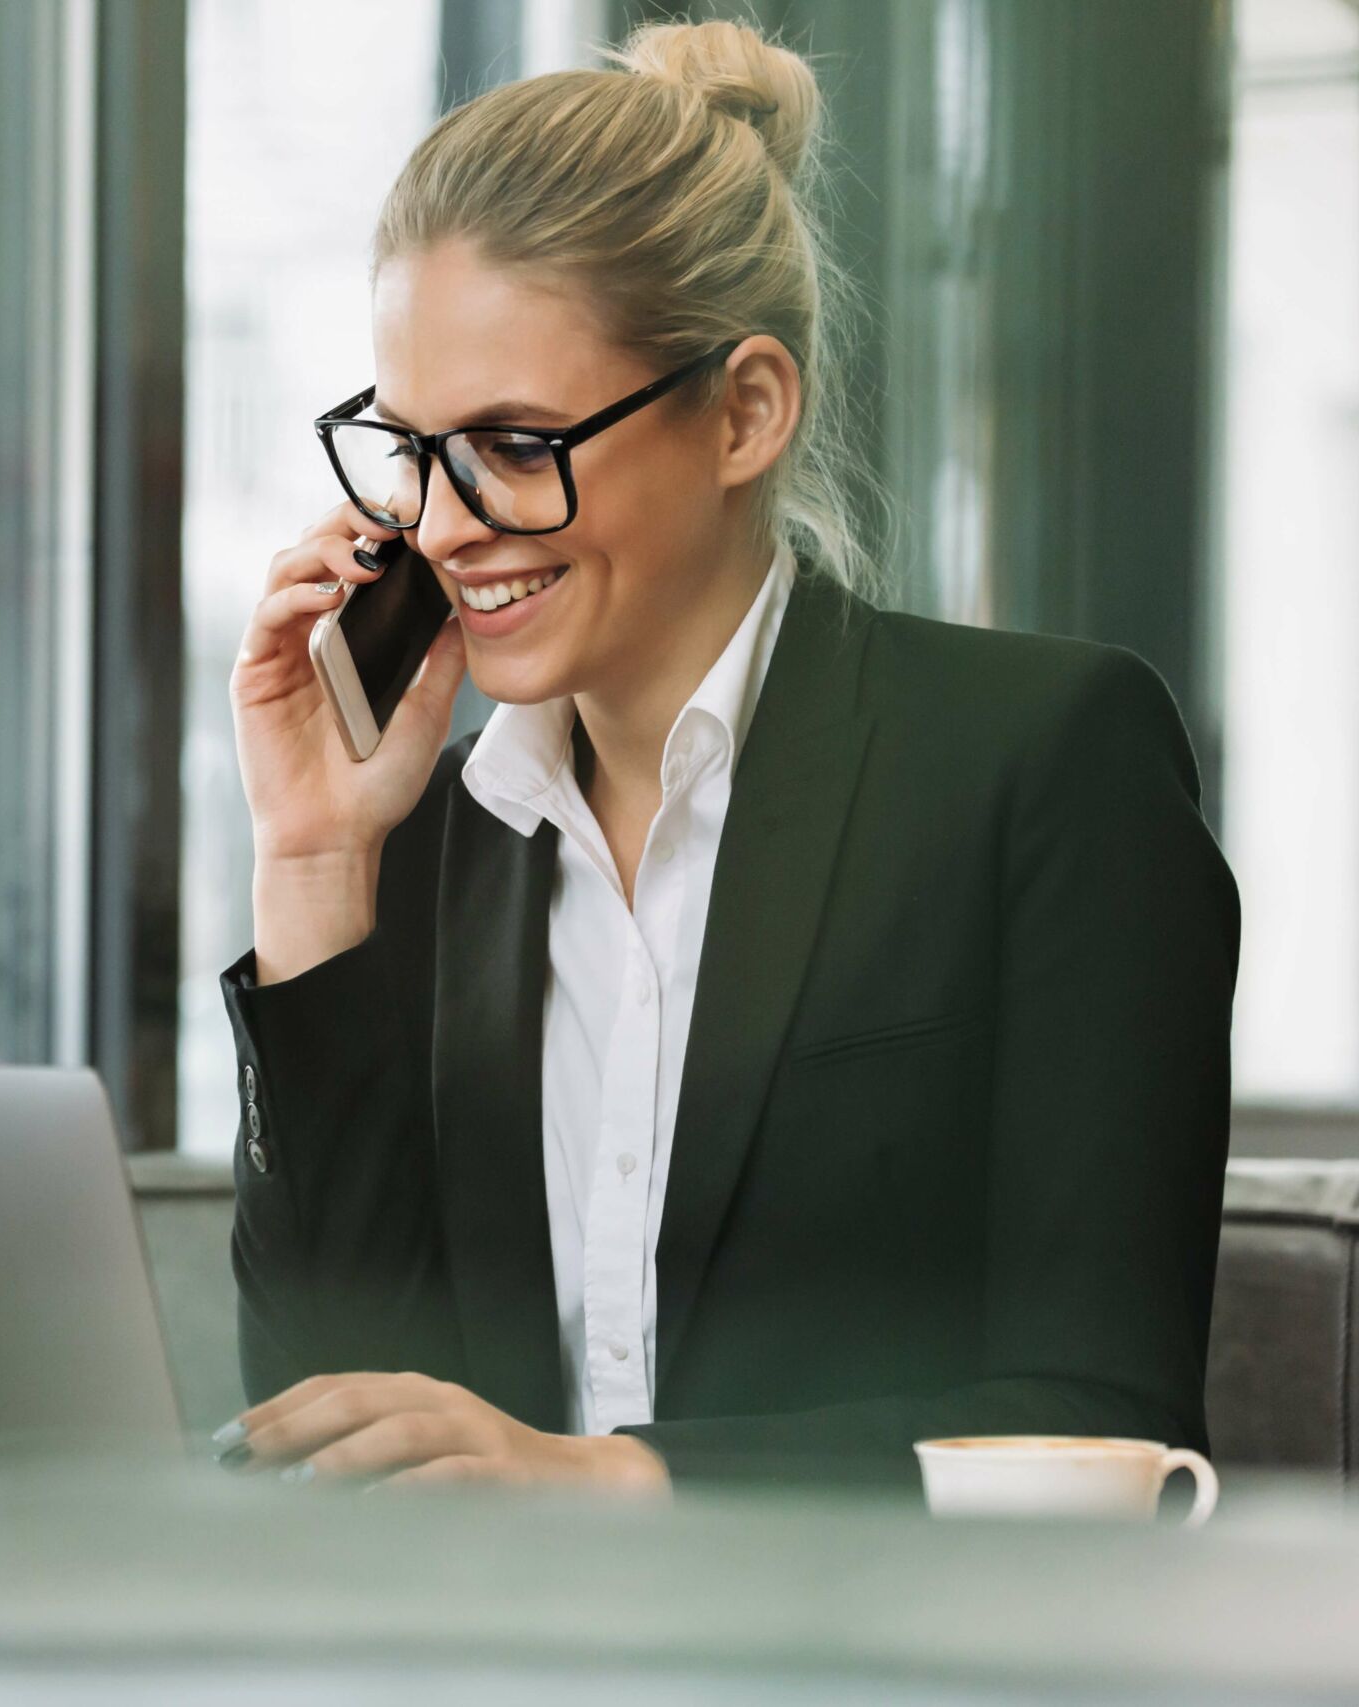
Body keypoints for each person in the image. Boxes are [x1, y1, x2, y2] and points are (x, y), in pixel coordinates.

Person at [210, 18, 1240, 1492]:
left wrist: (625, 1487)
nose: (439, 528)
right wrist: (311, 863)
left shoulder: (1042, 766)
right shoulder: (432, 849)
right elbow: (327, 1432)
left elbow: (1112, 1440)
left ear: (746, 410)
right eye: (412, 450)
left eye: (514, 445)